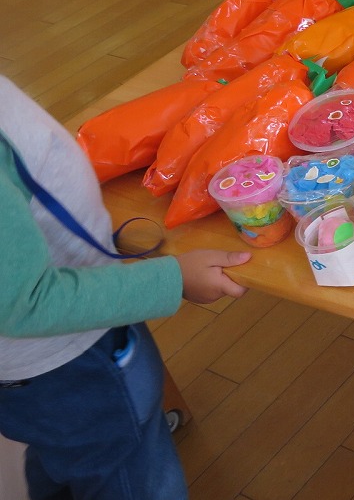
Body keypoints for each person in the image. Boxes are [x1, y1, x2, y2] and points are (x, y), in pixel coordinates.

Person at [0, 74, 251, 499]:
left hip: (39, 378)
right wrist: (173, 278)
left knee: (66, 456)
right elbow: (25, 302)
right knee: (126, 467)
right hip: (72, 362)